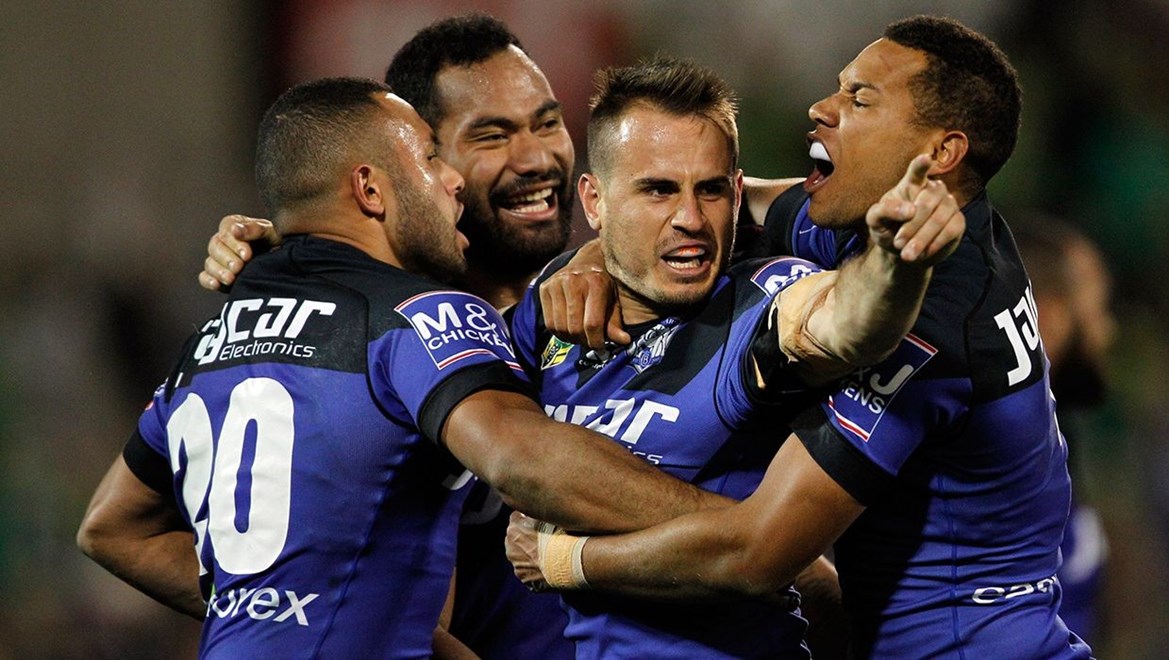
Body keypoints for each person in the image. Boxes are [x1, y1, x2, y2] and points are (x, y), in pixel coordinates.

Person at [76, 76, 734, 658]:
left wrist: (281, 607)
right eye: (427, 157)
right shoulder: (419, 316)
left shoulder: (212, 341)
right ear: (369, 189)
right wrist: (734, 531)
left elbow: (112, 528)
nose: (452, 179)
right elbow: (526, 462)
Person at [509, 15, 1093, 659]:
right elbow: (723, 206)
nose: (822, 108)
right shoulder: (879, 220)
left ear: (940, 154)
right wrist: (600, 252)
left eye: (860, 99)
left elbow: (761, 553)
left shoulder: (932, 319)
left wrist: (565, 560)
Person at [200, 15, 581, 659]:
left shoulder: (621, 299)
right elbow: (123, 529)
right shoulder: (380, 347)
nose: (536, 159)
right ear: (420, 162)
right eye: (491, 136)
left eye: (547, 124)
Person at [1013, 215, 1115, 644]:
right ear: (1051, 318)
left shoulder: (1055, 440)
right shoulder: (1000, 455)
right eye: (1096, 308)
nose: (1107, 331)